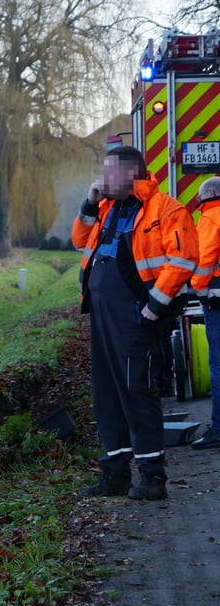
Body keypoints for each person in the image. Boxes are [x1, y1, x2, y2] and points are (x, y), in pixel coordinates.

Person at [72, 145, 199, 500]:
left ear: (132, 173)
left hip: (135, 316)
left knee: (137, 391)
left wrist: (155, 305)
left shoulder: (166, 209)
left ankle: (152, 478)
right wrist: (88, 204)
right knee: (106, 394)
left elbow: (184, 258)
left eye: (110, 172)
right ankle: (115, 474)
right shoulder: (106, 208)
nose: (103, 178)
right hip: (102, 315)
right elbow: (78, 241)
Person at [190, 176, 220, 449]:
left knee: (218, 365)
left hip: (217, 301)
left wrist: (197, 289)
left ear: (208, 194)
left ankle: (219, 429)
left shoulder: (210, 218)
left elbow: (205, 258)